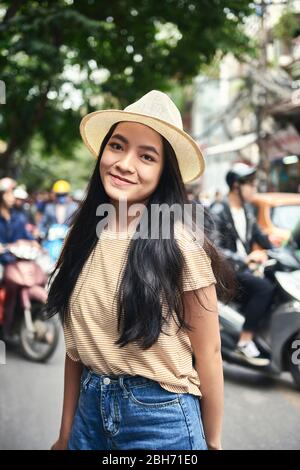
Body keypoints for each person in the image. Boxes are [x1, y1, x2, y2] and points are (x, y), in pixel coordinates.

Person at [47, 90, 234, 451]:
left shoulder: (179, 242)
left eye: (146, 156)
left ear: (164, 172)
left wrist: (212, 441)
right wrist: (65, 433)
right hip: (88, 414)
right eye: (117, 146)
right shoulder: (83, 235)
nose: (124, 163)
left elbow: (209, 352)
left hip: (160, 420)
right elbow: (76, 352)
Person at [210, 163, 275, 366]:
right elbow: (214, 248)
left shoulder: (247, 211)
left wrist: (278, 251)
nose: (254, 189)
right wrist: (244, 258)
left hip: (243, 270)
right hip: (226, 272)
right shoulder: (218, 210)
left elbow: (261, 237)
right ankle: (245, 342)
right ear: (237, 185)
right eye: (251, 185)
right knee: (264, 289)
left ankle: (253, 332)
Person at [0, 177, 39, 336]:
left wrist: (35, 243)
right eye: (8, 194)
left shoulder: (18, 217)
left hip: (16, 262)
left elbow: (26, 236)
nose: (12, 197)